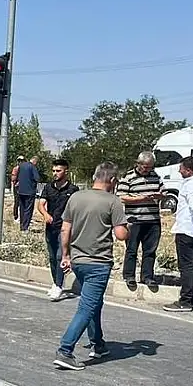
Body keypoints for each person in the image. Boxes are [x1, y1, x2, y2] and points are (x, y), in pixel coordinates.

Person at [53, 162, 129, 371]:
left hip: (77, 260)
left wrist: (66, 254)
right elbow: (121, 234)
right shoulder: (113, 201)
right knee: (87, 307)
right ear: (112, 180)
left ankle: (98, 343)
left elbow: (65, 229)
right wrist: (128, 227)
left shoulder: (76, 197)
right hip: (98, 262)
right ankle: (65, 350)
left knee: (94, 302)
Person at [164, 156, 193, 313]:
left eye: (181, 168)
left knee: (186, 266)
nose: (179, 171)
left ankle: (185, 300)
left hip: (187, 228)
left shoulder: (191, 184)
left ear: (189, 170)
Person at [117, 151, 164, 289]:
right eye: (145, 167)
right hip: (134, 219)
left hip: (153, 220)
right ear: (138, 164)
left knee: (150, 250)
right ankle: (129, 276)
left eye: (150, 167)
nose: (147, 170)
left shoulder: (155, 176)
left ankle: (147, 276)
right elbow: (121, 196)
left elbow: (164, 192)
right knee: (132, 249)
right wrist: (141, 198)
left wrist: (158, 196)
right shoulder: (128, 177)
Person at [36, 157, 79, 300]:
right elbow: (40, 204)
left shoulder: (73, 190)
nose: (55, 173)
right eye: (53, 170)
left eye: (58, 170)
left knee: (61, 256)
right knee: (52, 257)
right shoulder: (48, 187)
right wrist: (45, 214)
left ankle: (59, 286)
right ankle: (55, 282)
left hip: (65, 228)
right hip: (50, 227)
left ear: (66, 171)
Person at [14, 156, 41, 231]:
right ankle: (25, 227)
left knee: (22, 208)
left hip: (20, 191)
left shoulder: (21, 166)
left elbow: (17, 177)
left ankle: (21, 225)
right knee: (28, 209)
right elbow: (37, 178)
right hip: (30, 192)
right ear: (35, 161)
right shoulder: (32, 167)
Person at [10, 156, 24, 221]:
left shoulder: (24, 169)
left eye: (22, 160)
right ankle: (15, 216)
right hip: (17, 187)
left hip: (24, 187)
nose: (21, 162)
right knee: (17, 202)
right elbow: (13, 178)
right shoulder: (16, 169)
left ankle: (22, 217)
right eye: (20, 161)